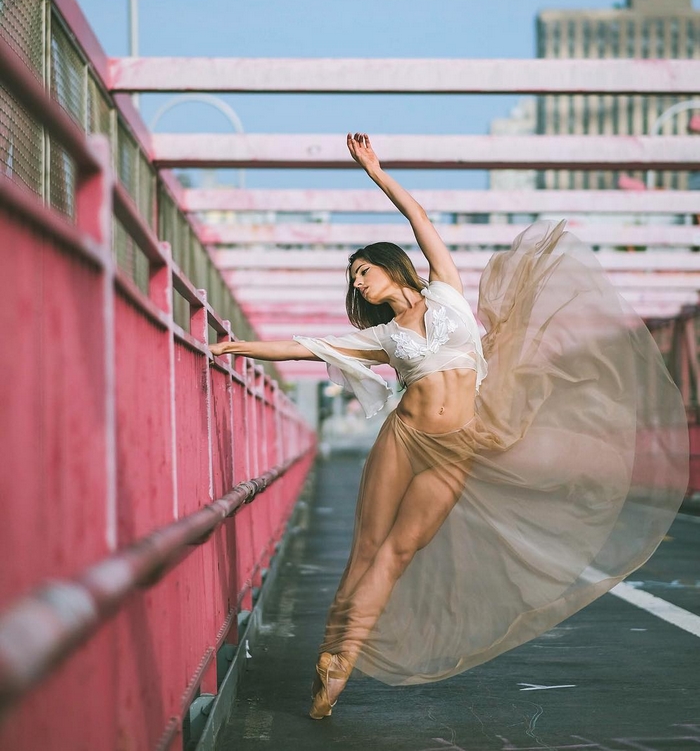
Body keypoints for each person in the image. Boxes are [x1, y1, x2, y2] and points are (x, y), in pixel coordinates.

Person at [209, 133, 689, 720]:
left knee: (400, 551)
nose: (358, 283)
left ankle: (345, 652)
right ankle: (334, 658)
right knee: (366, 551)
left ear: (390, 268)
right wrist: (241, 347)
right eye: (353, 279)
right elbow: (306, 346)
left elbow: (419, 218)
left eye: (364, 272)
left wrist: (375, 173)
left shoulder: (447, 292)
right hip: (403, 439)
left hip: (456, 447)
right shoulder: (383, 338)